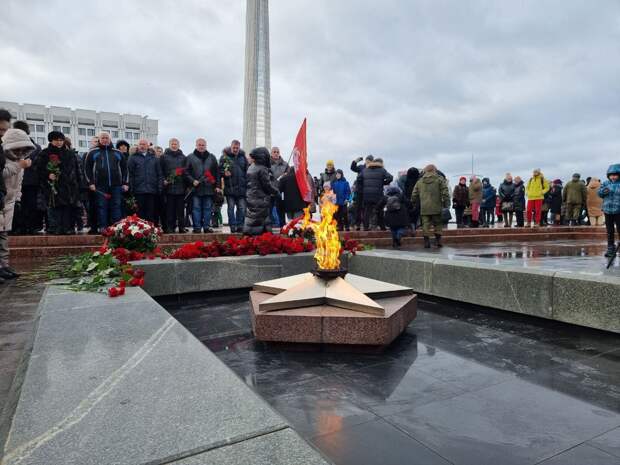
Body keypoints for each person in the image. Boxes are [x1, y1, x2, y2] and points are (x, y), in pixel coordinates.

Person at [0, 129, 34, 281]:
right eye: (16, 148)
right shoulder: (4, 159)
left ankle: (4, 266)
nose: (19, 151)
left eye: (22, 149)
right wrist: (19, 166)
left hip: (9, 201)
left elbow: (18, 183)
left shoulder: (20, 161)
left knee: (4, 236)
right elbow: (3, 174)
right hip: (1, 199)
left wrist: (18, 199)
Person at [37, 131, 81, 235]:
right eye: (56, 140)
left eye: (61, 140)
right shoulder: (45, 153)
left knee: (68, 207)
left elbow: (76, 169)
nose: (59, 142)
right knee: (54, 207)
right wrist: (48, 174)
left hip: (69, 186)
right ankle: (55, 227)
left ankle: (68, 228)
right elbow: (38, 169)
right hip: (53, 186)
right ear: (51, 140)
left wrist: (77, 183)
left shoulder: (69, 153)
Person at [83, 132, 129, 230]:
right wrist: (90, 183)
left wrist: (125, 183)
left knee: (116, 206)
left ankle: (116, 227)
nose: (105, 140)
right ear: (99, 139)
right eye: (103, 138)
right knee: (101, 206)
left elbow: (125, 169)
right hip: (99, 185)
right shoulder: (92, 152)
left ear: (110, 139)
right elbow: (87, 169)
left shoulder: (118, 152)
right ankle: (102, 226)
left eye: (107, 138)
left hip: (116, 185)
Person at [11, 121, 42, 235]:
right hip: (13, 181)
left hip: (31, 181)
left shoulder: (36, 148)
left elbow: (39, 165)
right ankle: (16, 227)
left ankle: (31, 227)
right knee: (15, 205)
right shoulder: (8, 146)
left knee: (31, 205)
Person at [185, 138, 220, 233]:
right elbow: (186, 172)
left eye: (203, 145)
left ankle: (206, 227)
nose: (201, 146)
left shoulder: (212, 157)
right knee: (196, 209)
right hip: (196, 188)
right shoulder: (190, 157)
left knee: (208, 208)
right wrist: (192, 181)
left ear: (206, 145)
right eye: (199, 145)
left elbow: (217, 172)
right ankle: (197, 228)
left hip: (209, 188)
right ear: (196, 145)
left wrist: (217, 186)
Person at [411, 164, 450, 248]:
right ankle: (438, 240)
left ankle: (426, 242)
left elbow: (414, 194)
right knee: (438, 224)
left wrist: (413, 202)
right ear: (434, 170)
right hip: (437, 206)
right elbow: (445, 192)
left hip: (424, 207)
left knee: (425, 224)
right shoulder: (439, 179)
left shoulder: (420, 181)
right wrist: (446, 204)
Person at [243, 147, 279, 235]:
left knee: (253, 217)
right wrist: (276, 191)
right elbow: (267, 185)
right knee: (261, 219)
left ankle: (249, 234)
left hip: (251, 197)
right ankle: (262, 239)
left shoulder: (251, 167)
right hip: (260, 199)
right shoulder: (262, 169)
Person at [127, 139, 162, 223]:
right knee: (140, 213)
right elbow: (130, 175)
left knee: (151, 213)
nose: (142, 146)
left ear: (148, 146)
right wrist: (131, 189)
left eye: (144, 144)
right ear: (138, 146)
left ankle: (151, 232)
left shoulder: (154, 158)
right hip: (139, 190)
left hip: (152, 190)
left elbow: (159, 174)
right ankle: (141, 232)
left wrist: (160, 188)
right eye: (141, 144)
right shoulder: (133, 158)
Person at [219, 140, 248, 233]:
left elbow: (247, 171)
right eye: (234, 148)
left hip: (242, 188)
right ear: (231, 147)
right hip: (230, 187)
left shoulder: (243, 158)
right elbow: (219, 171)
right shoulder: (224, 157)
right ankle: (232, 225)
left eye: (237, 148)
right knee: (231, 208)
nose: (235, 149)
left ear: (239, 148)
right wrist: (224, 173)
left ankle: (240, 225)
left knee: (242, 208)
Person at [358, 157, 393, 230]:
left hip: (367, 194)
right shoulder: (382, 170)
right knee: (379, 210)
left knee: (367, 211)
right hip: (378, 195)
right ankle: (382, 227)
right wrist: (383, 183)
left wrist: (364, 185)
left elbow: (359, 178)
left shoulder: (365, 170)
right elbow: (390, 177)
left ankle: (365, 227)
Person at [161, 138, 187, 233]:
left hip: (180, 187)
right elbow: (161, 170)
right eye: (172, 144)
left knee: (180, 210)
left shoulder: (183, 157)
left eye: (175, 144)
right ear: (169, 145)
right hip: (169, 187)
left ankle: (181, 227)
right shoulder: (164, 157)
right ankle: (170, 227)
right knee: (170, 209)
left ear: (178, 145)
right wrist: (163, 180)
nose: (174, 145)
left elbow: (186, 172)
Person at [599, 165, 620, 257]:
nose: (613, 177)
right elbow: (599, 193)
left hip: (619, 210)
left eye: (615, 175)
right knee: (609, 230)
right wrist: (603, 191)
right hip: (607, 210)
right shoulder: (605, 183)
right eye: (611, 175)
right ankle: (610, 247)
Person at [351, 155, 373, 230]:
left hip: (368, 191)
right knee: (358, 208)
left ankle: (366, 224)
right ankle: (357, 224)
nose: (367, 161)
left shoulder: (372, 169)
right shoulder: (361, 167)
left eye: (369, 161)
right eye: (367, 160)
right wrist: (355, 161)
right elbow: (353, 168)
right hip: (359, 191)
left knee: (366, 209)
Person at [269, 146, 288, 227]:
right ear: (271, 153)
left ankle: (282, 225)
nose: (276, 153)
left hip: (281, 190)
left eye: (277, 152)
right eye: (274, 152)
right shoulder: (267, 163)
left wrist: (286, 174)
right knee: (271, 209)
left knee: (281, 209)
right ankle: (273, 224)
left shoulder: (285, 164)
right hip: (271, 189)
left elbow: (290, 174)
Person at [404, 167, 420, 232]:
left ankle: (410, 226)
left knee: (409, 213)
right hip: (417, 199)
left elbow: (405, 191)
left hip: (408, 199)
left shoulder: (406, 181)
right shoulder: (418, 181)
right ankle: (415, 225)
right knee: (416, 213)